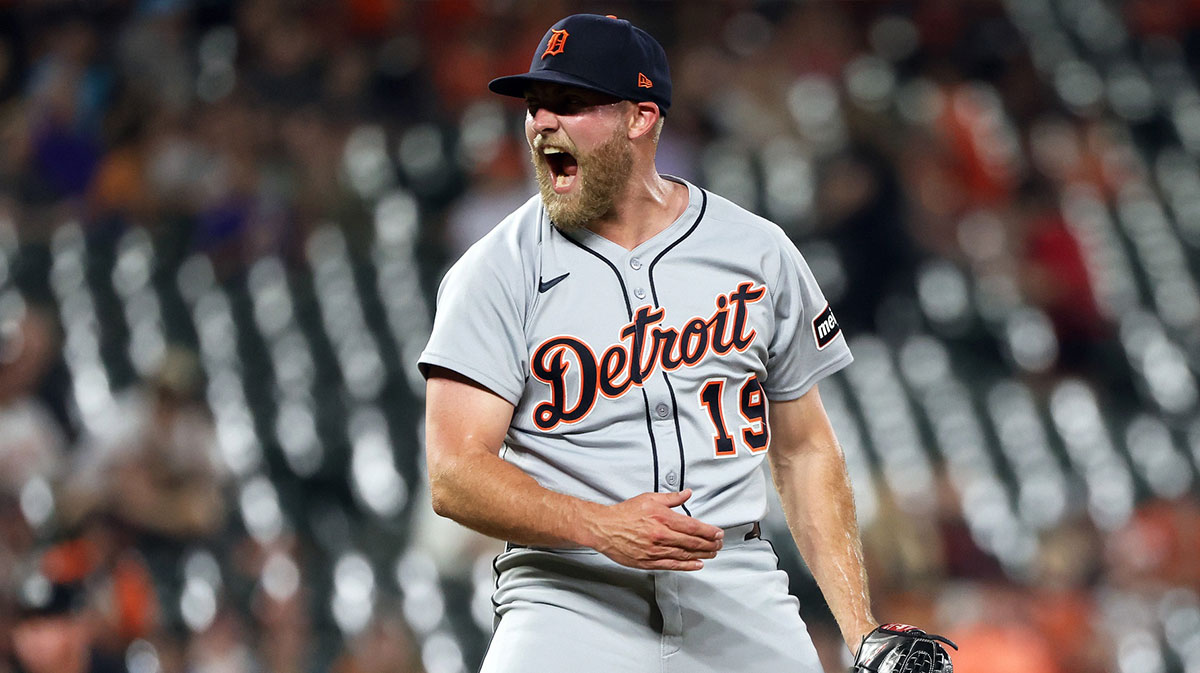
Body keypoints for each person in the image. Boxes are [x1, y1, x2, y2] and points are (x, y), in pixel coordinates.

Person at [420, 14, 947, 672]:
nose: (542, 123)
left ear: (640, 118)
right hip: (567, 597)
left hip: (739, 587)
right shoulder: (495, 270)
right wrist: (599, 524)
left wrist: (859, 628)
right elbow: (454, 473)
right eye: (536, 105)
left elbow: (806, 446)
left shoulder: (756, 251)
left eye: (571, 103)